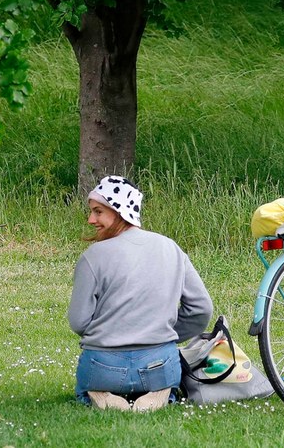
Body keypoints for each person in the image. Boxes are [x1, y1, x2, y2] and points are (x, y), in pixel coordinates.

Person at [68, 175, 213, 411]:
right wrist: (163, 334)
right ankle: (159, 393)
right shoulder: (171, 248)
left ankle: (100, 394)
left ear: (119, 211)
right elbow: (201, 308)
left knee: (89, 384)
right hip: (159, 364)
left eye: (98, 212)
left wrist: (109, 333)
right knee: (163, 375)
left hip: (103, 365)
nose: (90, 219)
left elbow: (79, 321)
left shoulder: (93, 256)